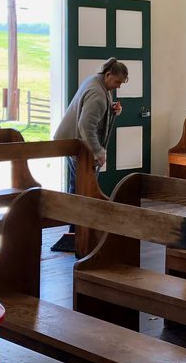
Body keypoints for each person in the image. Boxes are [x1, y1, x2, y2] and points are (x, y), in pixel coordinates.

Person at [50, 58, 128, 251]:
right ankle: (78, 235)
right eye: (117, 82)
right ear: (108, 75)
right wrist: (98, 152)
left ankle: (75, 233)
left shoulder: (96, 82)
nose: (118, 86)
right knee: (83, 189)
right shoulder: (97, 94)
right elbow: (86, 126)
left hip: (72, 143)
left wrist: (113, 110)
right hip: (77, 146)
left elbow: (93, 113)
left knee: (77, 186)